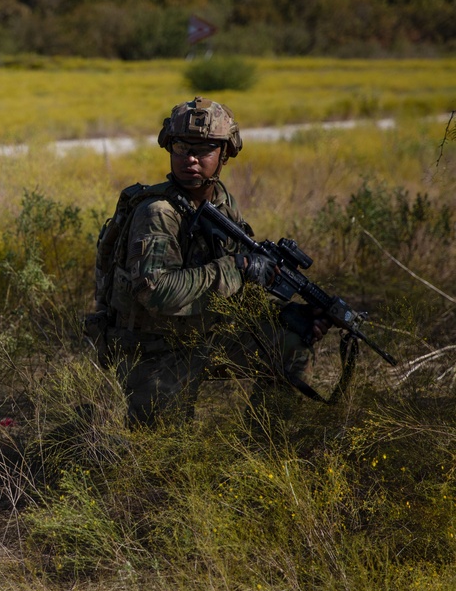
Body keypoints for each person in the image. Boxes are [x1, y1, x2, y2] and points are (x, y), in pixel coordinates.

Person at [90, 96, 328, 426]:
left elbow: (235, 288)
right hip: (151, 349)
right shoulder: (158, 212)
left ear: (225, 153)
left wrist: (285, 313)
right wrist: (239, 268)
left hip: (203, 335)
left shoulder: (222, 204)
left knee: (291, 343)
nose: (190, 158)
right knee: (162, 454)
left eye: (203, 151)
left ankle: (267, 447)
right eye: (181, 148)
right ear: (168, 148)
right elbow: (156, 292)